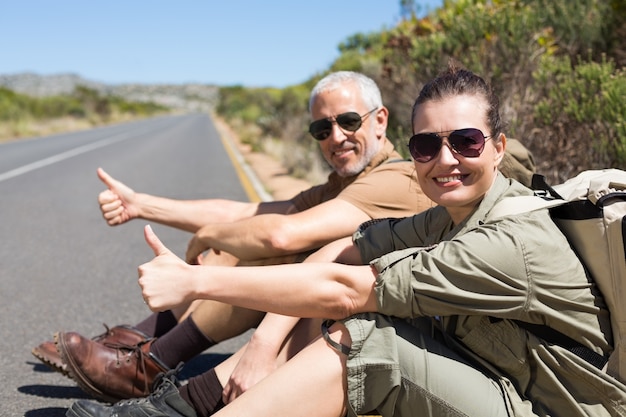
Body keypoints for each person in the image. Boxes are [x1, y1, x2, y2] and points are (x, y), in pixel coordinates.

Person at [66, 62, 626, 417]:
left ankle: (159, 380)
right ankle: (167, 394)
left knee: (365, 340)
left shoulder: (505, 238)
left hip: (547, 406)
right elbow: (331, 241)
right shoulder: (449, 213)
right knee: (312, 295)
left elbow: (337, 282)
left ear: (499, 147)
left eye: (466, 141)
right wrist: (150, 208)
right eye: (428, 145)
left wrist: (195, 275)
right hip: (494, 375)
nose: (444, 159)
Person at [34, 71, 438, 402]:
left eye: (348, 121)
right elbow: (247, 212)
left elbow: (281, 235)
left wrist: (211, 237)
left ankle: (150, 363)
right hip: (335, 306)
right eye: (321, 128)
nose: (335, 137)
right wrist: (142, 205)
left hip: (382, 327)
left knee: (265, 249)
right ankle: (136, 348)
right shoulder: (340, 183)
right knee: (244, 235)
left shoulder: (394, 179)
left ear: (380, 119)